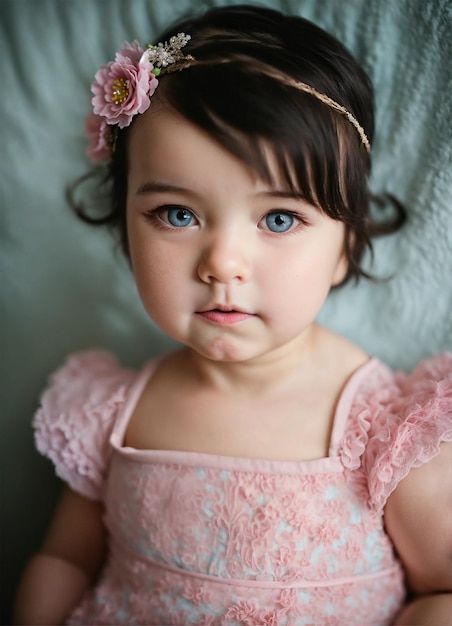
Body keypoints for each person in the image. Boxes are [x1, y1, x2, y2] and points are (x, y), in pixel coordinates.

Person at [13, 4, 451, 625]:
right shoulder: (111, 411)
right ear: (125, 230)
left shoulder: (386, 431)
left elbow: (442, 591)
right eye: (177, 214)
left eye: (279, 219)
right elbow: (64, 562)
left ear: (345, 247)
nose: (223, 264)